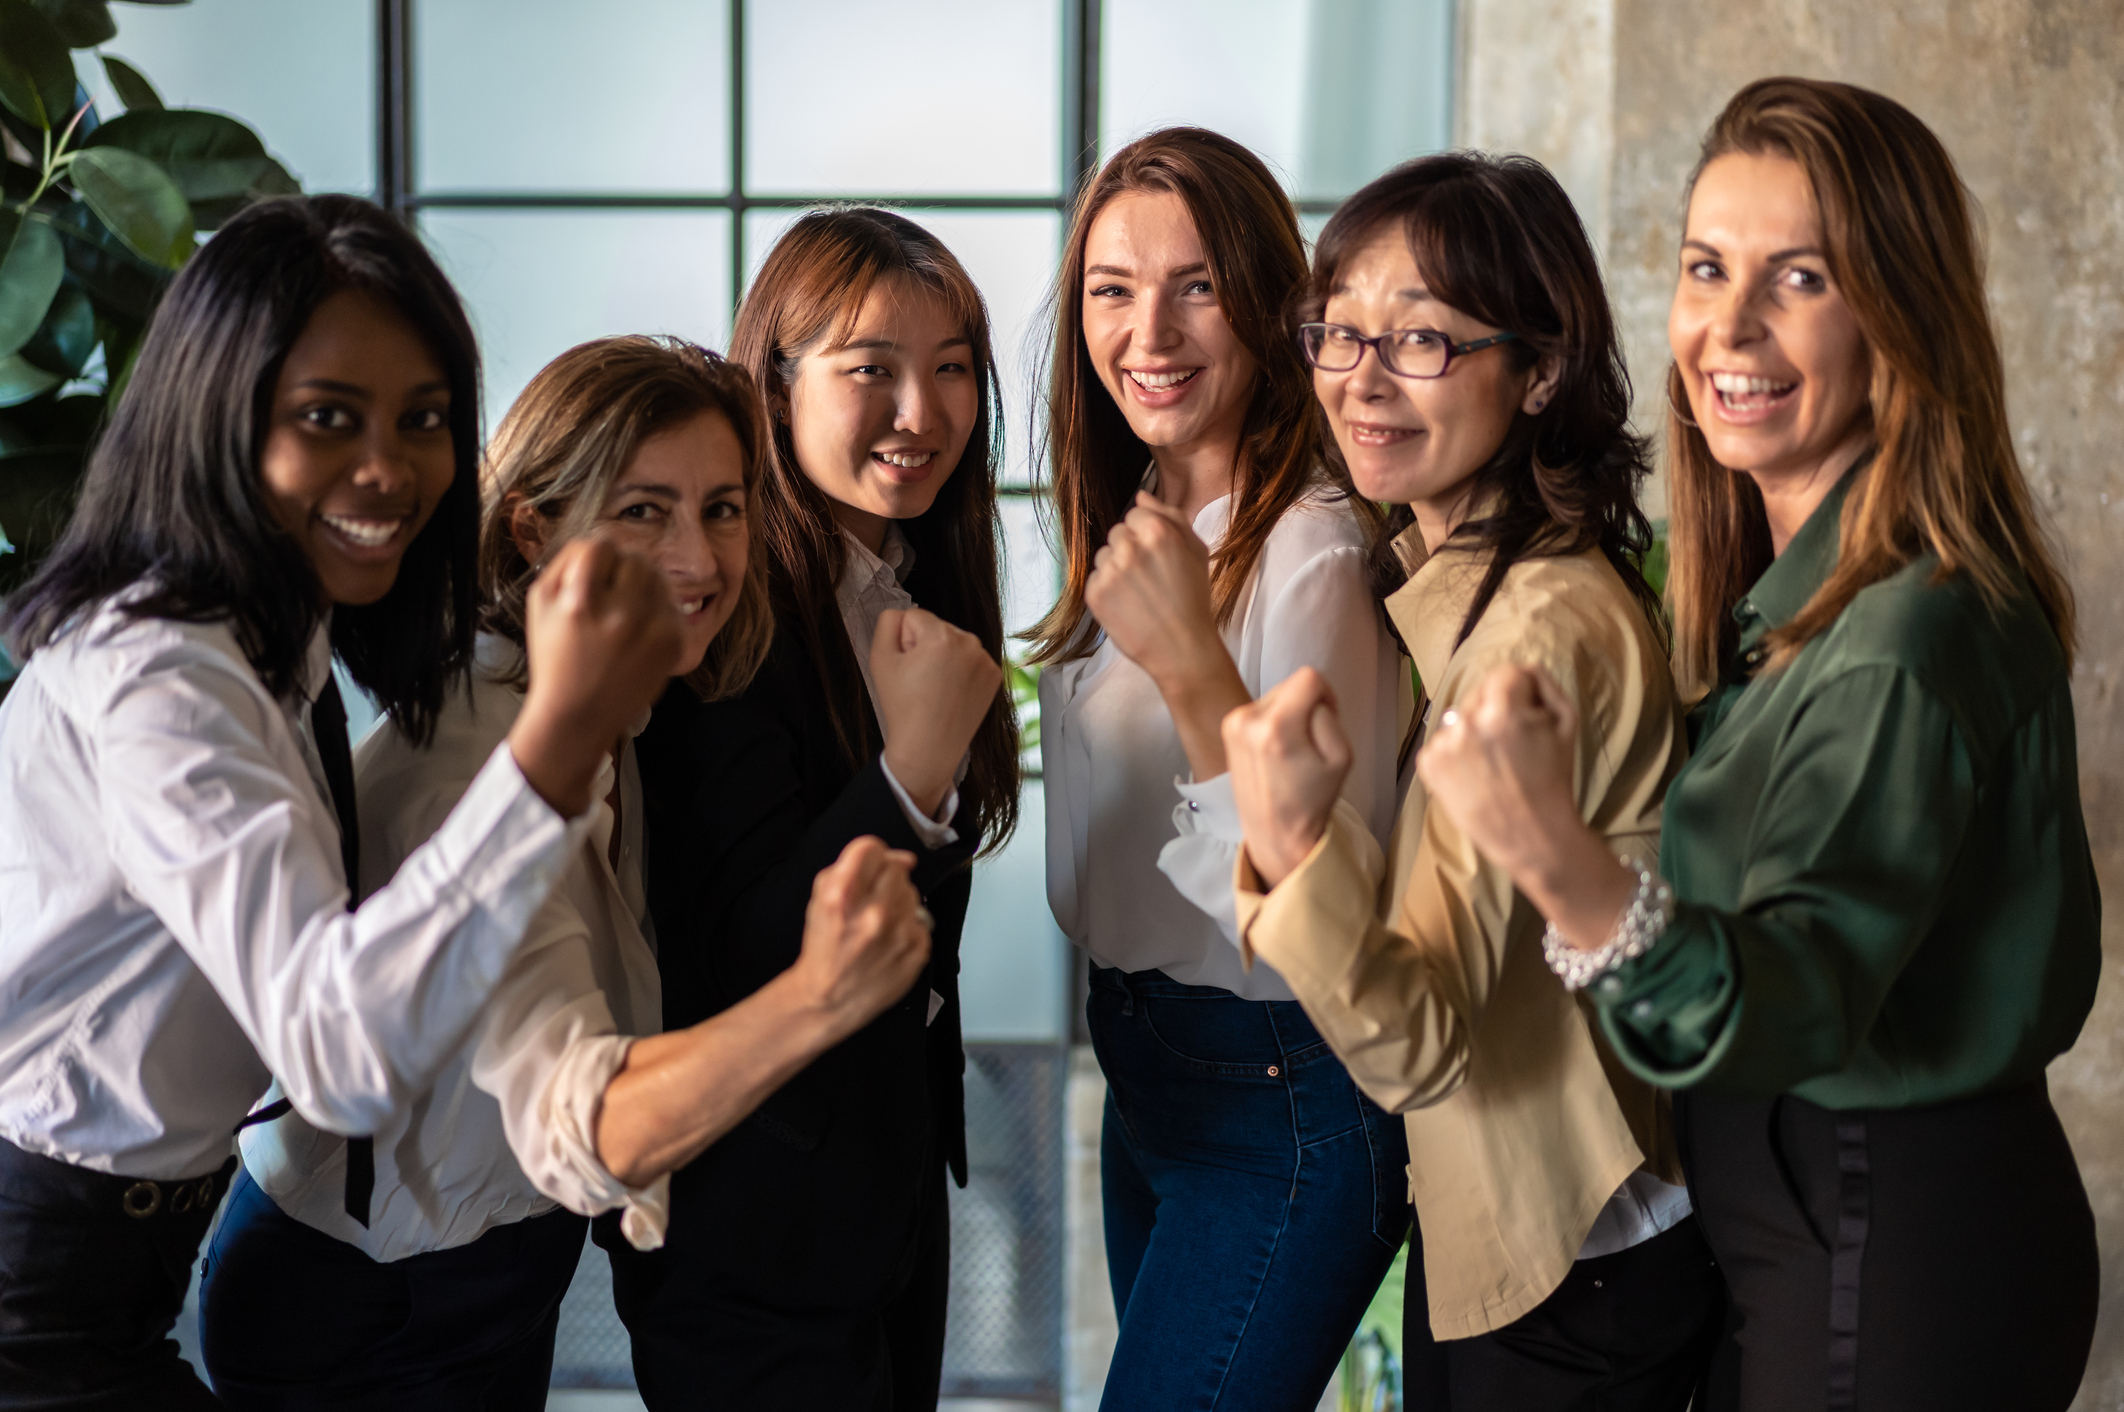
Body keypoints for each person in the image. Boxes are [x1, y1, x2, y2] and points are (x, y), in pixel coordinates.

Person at [1415, 78, 2100, 1412]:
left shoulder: (1905, 636)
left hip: (1886, 1239)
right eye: (1706, 269)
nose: (1729, 327)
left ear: (1902, 310)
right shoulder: (1779, 605)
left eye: (1799, 279)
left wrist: (1559, 859)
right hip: (1812, 1233)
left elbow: (1794, 997)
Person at [0, 195, 679, 1410]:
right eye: (328, 418)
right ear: (219, 414)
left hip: (129, 1258)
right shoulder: (162, 675)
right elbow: (340, 1054)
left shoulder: (275, 633)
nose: (390, 468)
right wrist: (557, 742)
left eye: (424, 420)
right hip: (36, 1281)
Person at [197, 336, 933, 1408]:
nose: (699, 558)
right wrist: (818, 997)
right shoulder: (479, 761)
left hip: (502, 1275)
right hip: (363, 1303)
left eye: (723, 508)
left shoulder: (616, 709)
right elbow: (581, 1123)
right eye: (644, 510)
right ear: (531, 528)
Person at [1218, 152, 1724, 1409]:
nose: (1362, 378)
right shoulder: (1460, 585)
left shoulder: (1531, 632)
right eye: (1340, 332)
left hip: (1571, 1261)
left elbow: (1418, 1039)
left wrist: (1288, 841)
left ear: (1540, 370)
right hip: (1542, 1242)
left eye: (1426, 341)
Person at [607, 209, 1015, 1411]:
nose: (921, 412)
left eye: (951, 370)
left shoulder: (903, 583)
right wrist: (908, 778)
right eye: (870, 370)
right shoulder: (720, 614)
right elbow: (744, 949)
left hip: (878, 1198)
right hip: (755, 1219)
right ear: (773, 385)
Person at [1027, 127, 1409, 1410]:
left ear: (1269, 299)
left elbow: (1314, 917)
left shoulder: (1310, 544)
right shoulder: (1124, 514)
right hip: (1143, 1072)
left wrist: (1196, 659)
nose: (1153, 331)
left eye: (1198, 285)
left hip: (1280, 1093)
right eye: (1113, 288)